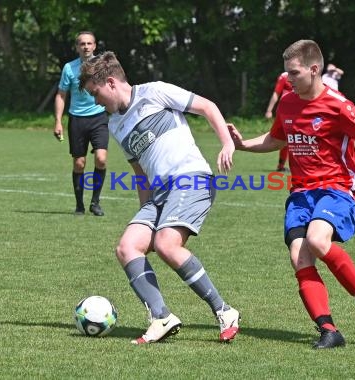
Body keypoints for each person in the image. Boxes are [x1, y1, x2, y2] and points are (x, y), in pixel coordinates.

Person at [229, 40, 355, 349]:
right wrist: (242, 144)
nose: (288, 80)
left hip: (337, 187)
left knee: (318, 241)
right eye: (287, 73)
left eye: (293, 73)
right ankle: (329, 330)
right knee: (299, 256)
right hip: (301, 192)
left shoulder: (338, 104)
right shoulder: (288, 103)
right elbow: (276, 138)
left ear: (314, 69)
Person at [78, 51, 240, 344]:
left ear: (111, 82)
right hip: (159, 195)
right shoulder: (115, 124)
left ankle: (225, 311)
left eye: (95, 92)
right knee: (127, 247)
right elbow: (139, 172)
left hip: (191, 178)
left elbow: (207, 106)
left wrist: (227, 143)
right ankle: (161, 317)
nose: (95, 100)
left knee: (167, 244)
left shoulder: (155, 92)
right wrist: (146, 215)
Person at [54, 31, 109, 216]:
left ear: (94, 46)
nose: (86, 47)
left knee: (101, 159)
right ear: (77, 47)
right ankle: (79, 205)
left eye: (89, 43)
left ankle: (95, 202)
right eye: (82, 44)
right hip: (77, 119)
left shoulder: (102, 66)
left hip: (99, 117)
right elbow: (61, 95)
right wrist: (58, 122)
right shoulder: (69, 68)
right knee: (79, 163)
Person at [264, 72, 292, 172]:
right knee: (287, 139)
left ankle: (281, 166)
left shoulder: (304, 73)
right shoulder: (284, 76)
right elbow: (276, 93)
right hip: (286, 112)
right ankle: (282, 166)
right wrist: (269, 110)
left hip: (298, 111)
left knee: (289, 139)